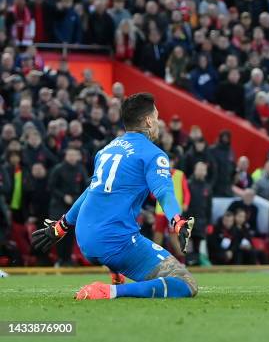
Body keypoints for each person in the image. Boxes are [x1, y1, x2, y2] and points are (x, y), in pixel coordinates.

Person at [31, 93, 197, 299]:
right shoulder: (153, 154)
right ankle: (110, 291)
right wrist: (178, 221)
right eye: (156, 117)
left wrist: (61, 226)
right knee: (185, 283)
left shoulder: (106, 150)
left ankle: (116, 273)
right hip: (115, 241)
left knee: (122, 223)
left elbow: (90, 191)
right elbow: (164, 192)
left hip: (85, 237)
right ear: (148, 120)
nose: (158, 122)